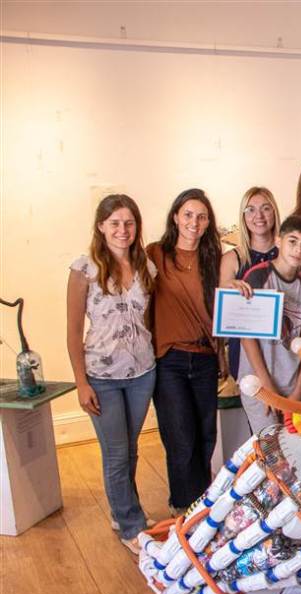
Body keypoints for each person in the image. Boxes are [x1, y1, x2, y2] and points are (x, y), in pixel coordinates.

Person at [66, 194, 157, 554]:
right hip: (102, 376)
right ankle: (131, 526)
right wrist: (81, 382)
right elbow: (73, 331)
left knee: (130, 449)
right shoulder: (83, 270)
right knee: (116, 453)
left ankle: (125, 513)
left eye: (129, 223)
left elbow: (148, 321)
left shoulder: (146, 268)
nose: (123, 230)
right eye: (115, 223)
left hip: (141, 373)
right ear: (101, 226)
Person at [147, 189, 228, 515]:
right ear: (175, 217)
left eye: (202, 216)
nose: (194, 222)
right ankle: (184, 508)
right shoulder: (155, 255)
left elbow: (220, 311)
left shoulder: (215, 260)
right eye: (188, 214)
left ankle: (202, 505)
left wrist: (221, 353)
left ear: (209, 223)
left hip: (206, 358)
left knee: (207, 436)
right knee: (181, 438)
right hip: (170, 360)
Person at [238, 216, 301, 435]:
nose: (298, 249)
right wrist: (266, 387)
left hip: (291, 384)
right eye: (292, 241)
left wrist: (300, 388)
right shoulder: (258, 277)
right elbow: (247, 338)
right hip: (259, 383)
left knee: (292, 448)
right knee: (271, 449)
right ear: (278, 241)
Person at [220, 187, 281, 378]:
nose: (259, 216)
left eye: (266, 208)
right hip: (246, 353)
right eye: (251, 210)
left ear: (274, 212)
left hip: (283, 351)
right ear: (243, 216)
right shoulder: (232, 258)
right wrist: (230, 290)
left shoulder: (290, 253)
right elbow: (224, 313)